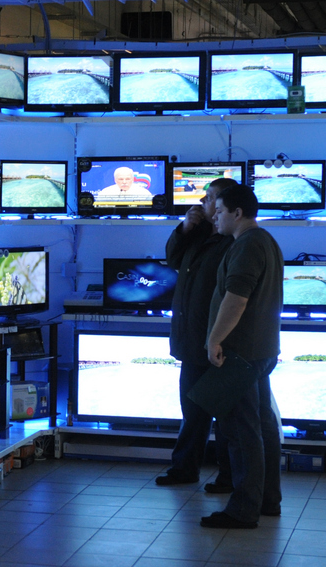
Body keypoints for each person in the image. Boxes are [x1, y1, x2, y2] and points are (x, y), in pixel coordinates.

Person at [200, 184, 283, 529]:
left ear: (237, 213)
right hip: (261, 350)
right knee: (262, 426)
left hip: (241, 353)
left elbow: (236, 299)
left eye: (219, 211)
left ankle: (243, 509)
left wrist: (214, 339)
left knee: (241, 431)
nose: (214, 217)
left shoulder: (247, 244)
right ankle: (267, 500)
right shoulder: (266, 241)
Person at [155, 178, 237, 490]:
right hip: (191, 340)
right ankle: (184, 469)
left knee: (226, 416)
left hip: (218, 342)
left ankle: (229, 476)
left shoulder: (234, 240)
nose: (202, 202)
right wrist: (184, 228)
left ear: (225, 204)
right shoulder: (199, 233)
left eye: (210, 197)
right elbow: (173, 260)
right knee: (192, 411)